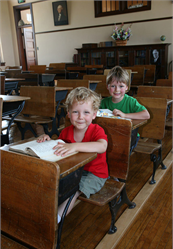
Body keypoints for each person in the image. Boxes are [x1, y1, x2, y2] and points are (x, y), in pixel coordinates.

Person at [37, 87, 108, 223]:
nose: (81, 117)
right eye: (75, 112)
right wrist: (47, 141)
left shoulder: (97, 130)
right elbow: (61, 148)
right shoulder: (66, 131)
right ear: (68, 113)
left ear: (94, 114)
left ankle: (55, 221)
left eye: (86, 112)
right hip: (73, 171)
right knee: (51, 184)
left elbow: (102, 146)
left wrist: (75, 146)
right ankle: (43, 211)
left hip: (94, 174)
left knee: (74, 189)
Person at [100, 66, 150, 153]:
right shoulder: (103, 102)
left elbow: (146, 115)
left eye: (121, 86)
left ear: (127, 87)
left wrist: (125, 115)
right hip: (111, 134)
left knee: (119, 151)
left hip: (130, 135)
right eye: (113, 86)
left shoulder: (131, 101)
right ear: (107, 87)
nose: (117, 90)